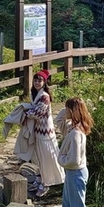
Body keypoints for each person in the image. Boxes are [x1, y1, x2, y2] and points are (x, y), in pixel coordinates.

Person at [53, 96, 92, 207]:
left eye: (67, 108)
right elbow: (58, 120)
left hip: (75, 173)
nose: (65, 111)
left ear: (73, 111)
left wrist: (60, 159)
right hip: (73, 173)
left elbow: (74, 161)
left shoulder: (76, 133)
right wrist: (71, 108)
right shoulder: (73, 127)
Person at [29, 69, 65, 198]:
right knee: (37, 157)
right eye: (35, 80)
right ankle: (40, 178)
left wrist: (24, 112)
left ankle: (46, 183)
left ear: (44, 83)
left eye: (40, 81)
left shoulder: (45, 96)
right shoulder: (34, 94)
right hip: (37, 131)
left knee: (47, 158)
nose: (37, 82)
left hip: (45, 133)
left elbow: (37, 113)